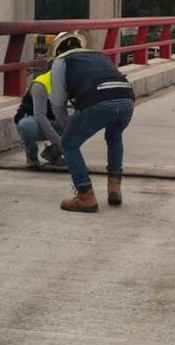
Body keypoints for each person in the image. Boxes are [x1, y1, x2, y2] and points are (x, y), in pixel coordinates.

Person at [47, 31, 136, 213]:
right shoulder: (100, 55)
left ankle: (85, 195)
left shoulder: (61, 61)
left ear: (58, 50)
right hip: (126, 99)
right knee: (114, 136)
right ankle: (114, 188)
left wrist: (64, 124)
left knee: (69, 144)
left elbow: (57, 102)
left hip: (98, 101)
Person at [14, 55, 66, 170]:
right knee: (25, 125)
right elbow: (39, 116)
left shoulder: (72, 83)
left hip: (57, 121)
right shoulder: (41, 84)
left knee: (80, 120)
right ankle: (32, 155)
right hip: (37, 122)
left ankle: (53, 153)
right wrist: (58, 142)